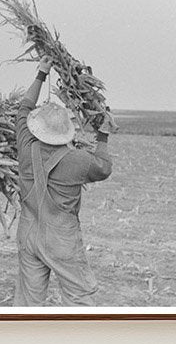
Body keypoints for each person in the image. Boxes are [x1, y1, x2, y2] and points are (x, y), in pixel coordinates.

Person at [13, 56, 114, 306]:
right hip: (61, 239)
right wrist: (103, 135)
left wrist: (41, 73)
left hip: (28, 231)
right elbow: (103, 168)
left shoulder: (26, 146)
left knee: (28, 303)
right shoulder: (78, 160)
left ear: (38, 128)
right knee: (79, 300)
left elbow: (24, 107)